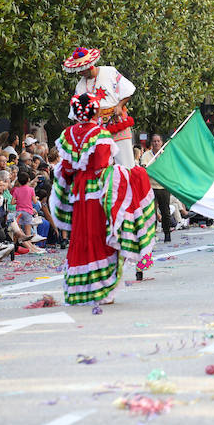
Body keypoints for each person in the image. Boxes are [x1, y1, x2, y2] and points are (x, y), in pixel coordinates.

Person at [51, 92, 156, 304]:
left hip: (78, 195)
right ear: (96, 111)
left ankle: (82, 289)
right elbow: (101, 168)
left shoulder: (67, 135)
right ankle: (103, 290)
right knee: (101, 239)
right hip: (98, 194)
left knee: (80, 239)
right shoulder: (100, 135)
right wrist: (129, 175)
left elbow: (67, 169)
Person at [63, 47, 137, 168]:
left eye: (81, 70)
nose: (79, 73)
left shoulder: (110, 72)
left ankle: (129, 184)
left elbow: (129, 90)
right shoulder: (80, 86)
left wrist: (119, 105)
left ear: (89, 66)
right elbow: (76, 114)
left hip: (117, 122)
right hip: (96, 129)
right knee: (101, 166)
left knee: (126, 164)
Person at [139, 134, 172, 243]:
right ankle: (152, 234)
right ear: (151, 143)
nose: (156, 143)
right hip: (150, 187)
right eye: (154, 141)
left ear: (161, 142)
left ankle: (167, 233)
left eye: (158, 141)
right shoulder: (147, 155)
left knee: (165, 211)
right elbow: (144, 167)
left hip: (163, 187)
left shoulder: (165, 155)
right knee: (151, 212)